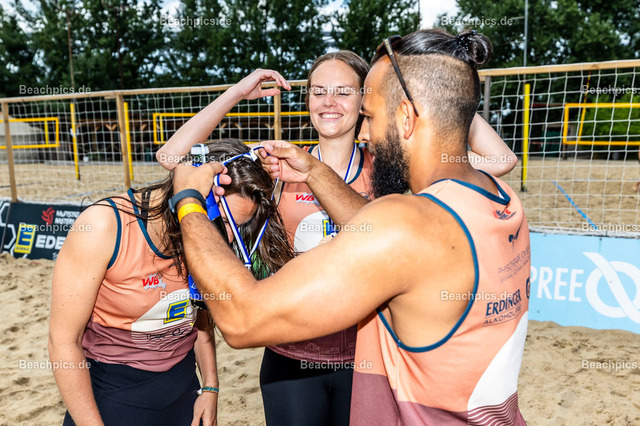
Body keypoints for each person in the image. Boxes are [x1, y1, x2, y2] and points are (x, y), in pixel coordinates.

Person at [171, 28, 530, 425]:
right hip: (303, 359)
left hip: (351, 358)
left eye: (367, 114)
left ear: (405, 116)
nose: (364, 132)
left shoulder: (400, 215)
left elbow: (242, 320)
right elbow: (377, 232)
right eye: (319, 91)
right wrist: (313, 169)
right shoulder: (501, 202)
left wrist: (188, 203)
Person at [49, 139, 293, 426]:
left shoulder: (202, 238)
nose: (227, 239)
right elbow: (63, 342)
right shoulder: (104, 226)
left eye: (238, 227)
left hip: (183, 388)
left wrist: (210, 387)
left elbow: (198, 315)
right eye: (225, 223)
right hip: (112, 391)